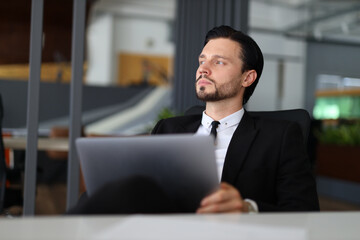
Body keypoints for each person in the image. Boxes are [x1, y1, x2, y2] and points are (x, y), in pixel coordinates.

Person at [68, 25, 319, 214]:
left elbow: (305, 211)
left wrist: (247, 208)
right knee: (97, 196)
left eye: (218, 62)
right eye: (202, 60)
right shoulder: (168, 128)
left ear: (247, 78)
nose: (203, 69)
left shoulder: (281, 136)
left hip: (230, 234)